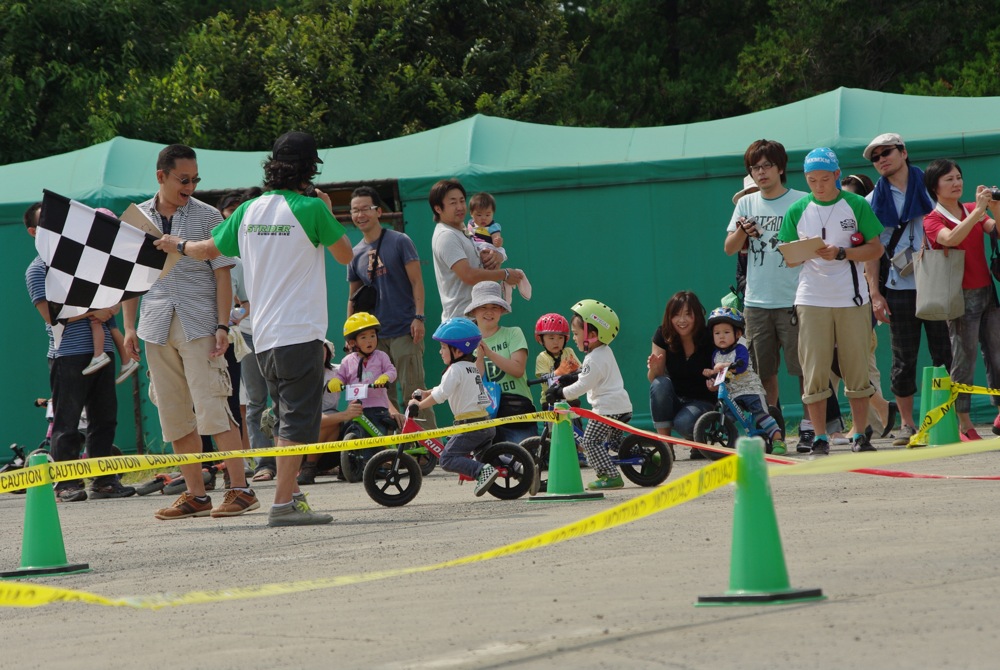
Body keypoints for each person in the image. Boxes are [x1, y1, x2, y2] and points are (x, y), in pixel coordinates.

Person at [155, 131, 354, 526]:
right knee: (297, 421)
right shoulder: (311, 209)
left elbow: (205, 250)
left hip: (261, 336)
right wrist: (326, 210)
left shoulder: (247, 210)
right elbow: (345, 254)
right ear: (309, 169)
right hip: (299, 331)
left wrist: (175, 244)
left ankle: (292, 494)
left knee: (283, 417)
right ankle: (282, 504)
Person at [122, 144, 255, 519]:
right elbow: (129, 279)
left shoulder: (208, 215)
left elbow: (223, 271)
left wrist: (222, 324)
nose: (191, 186)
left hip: (200, 324)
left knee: (214, 405)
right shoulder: (136, 218)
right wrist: (129, 326)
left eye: (196, 179)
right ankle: (196, 494)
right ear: (160, 176)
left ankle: (241, 488)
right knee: (174, 412)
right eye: (184, 179)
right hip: (155, 325)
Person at [24, 201, 135, 502]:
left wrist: (106, 309)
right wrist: (92, 312)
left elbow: (115, 300)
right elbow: (50, 315)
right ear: (33, 232)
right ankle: (67, 484)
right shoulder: (37, 270)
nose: (53, 231)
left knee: (105, 418)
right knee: (67, 421)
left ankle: (104, 481)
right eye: (45, 226)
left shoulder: (84, 261)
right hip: (67, 355)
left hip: (104, 351)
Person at [777, 147, 884, 455]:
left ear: (837, 175)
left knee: (857, 367)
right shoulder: (797, 209)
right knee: (815, 369)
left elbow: (875, 248)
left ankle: (861, 433)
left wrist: (842, 253)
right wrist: (803, 252)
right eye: (812, 180)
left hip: (852, 299)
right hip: (811, 299)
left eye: (825, 179)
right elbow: (787, 258)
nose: (819, 185)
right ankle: (820, 435)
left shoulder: (856, 204)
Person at [723, 140, 813, 451]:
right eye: (755, 168)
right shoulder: (746, 205)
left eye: (766, 166)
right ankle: (773, 431)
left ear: (780, 168)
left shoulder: (801, 201)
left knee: (804, 368)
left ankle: (808, 425)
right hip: (756, 301)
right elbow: (729, 248)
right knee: (763, 373)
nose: (761, 173)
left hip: (795, 298)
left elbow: (813, 245)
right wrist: (742, 232)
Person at [862, 133, 952, 447]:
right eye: (875, 157)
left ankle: (946, 417)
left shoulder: (931, 184)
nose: (881, 159)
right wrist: (875, 294)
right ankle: (907, 425)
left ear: (904, 152)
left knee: (944, 352)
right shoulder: (873, 199)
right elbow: (872, 252)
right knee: (903, 359)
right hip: (898, 286)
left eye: (887, 152)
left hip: (936, 279)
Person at [922, 159, 1000, 440]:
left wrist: (994, 208)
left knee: (997, 352)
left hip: (987, 291)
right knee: (964, 359)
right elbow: (951, 239)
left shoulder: (971, 209)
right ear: (935, 187)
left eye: (958, 177)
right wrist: (978, 210)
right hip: (958, 296)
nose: (956, 183)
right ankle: (963, 421)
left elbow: (997, 231)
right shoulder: (932, 219)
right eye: (948, 180)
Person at [346, 185, 436, 429]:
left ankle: (427, 445)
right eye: (355, 210)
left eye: (365, 208)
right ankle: (392, 452)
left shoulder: (400, 241)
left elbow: (417, 281)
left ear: (379, 212)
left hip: (404, 329)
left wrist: (419, 317)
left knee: (413, 391)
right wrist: (350, 335)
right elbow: (353, 297)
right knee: (382, 398)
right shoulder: (353, 254)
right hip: (373, 337)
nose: (360, 215)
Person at [545, 300, 633, 490]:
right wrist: (570, 376)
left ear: (592, 335)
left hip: (606, 409)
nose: (574, 338)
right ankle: (653, 457)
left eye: (576, 334)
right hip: (620, 405)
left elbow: (583, 385)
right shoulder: (603, 351)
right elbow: (585, 374)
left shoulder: (593, 358)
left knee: (591, 442)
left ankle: (610, 476)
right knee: (617, 444)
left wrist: (560, 393)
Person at [408, 318, 501, 496]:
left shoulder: (454, 369)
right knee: (484, 456)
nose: (440, 351)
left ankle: (482, 471)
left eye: (443, 347)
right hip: (485, 424)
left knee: (447, 459)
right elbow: (444, 389)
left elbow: (441, 395)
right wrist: (425, 392)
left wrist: (419, 405)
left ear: (457, 350)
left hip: (470, 427)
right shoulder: (470, 367)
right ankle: (517, 467)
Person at [840, 173, 897, 438]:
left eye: (853, 197)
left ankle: (872, 419)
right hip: (840, 304)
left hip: (860, 307)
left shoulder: (868, 232)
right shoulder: (838, 227)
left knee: (858, 365)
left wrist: (874, 298)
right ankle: (870, 420)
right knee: (851, 365)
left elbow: (873, 269)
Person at [429, 179, 523, 319]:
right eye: (453, 203)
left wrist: (496, 256)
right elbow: (469, 275)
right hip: (461, 321)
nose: (460, 207)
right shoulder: (446, 235)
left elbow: (481, 265)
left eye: (462, 201)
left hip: (477, 317)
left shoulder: (464, 229)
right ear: (438, 209)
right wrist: (505, 274)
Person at [703, 307, 787, 454]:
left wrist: (724, 366)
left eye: (726, 332)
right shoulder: (716, 355)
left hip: (750, 390)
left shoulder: (740, 349)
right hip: (732, 393)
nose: (721, 337)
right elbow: (721, 376)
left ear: (738, 334)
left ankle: (778, 440)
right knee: (727, 417)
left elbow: (740, 366)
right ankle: (728, 443)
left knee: (761, 414)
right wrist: (714, 384)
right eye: (717, 333)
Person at [465, 281, 537, 445]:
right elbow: (471, 382)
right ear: (474, 311)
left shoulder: (513, 333)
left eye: (495, 307)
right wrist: (480, 358)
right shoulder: (467, 343)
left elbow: (518, 369)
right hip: (484, 416)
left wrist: (489, 353)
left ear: (502, 310)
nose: (489, 312)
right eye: (483, 307)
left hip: (516, 412)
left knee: (524, 463)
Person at [648, 290, 717, 459]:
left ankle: (697, 440)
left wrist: (716, 383)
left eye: (688, 314)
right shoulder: (662, 335)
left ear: (697, 315)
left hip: (702, 400)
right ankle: (666, 447)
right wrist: (655, 368)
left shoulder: (709, 336)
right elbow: (653, 379)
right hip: (675, 399)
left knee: (684, 424)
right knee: (660, 383)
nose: (682, 320)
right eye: (676, 315)